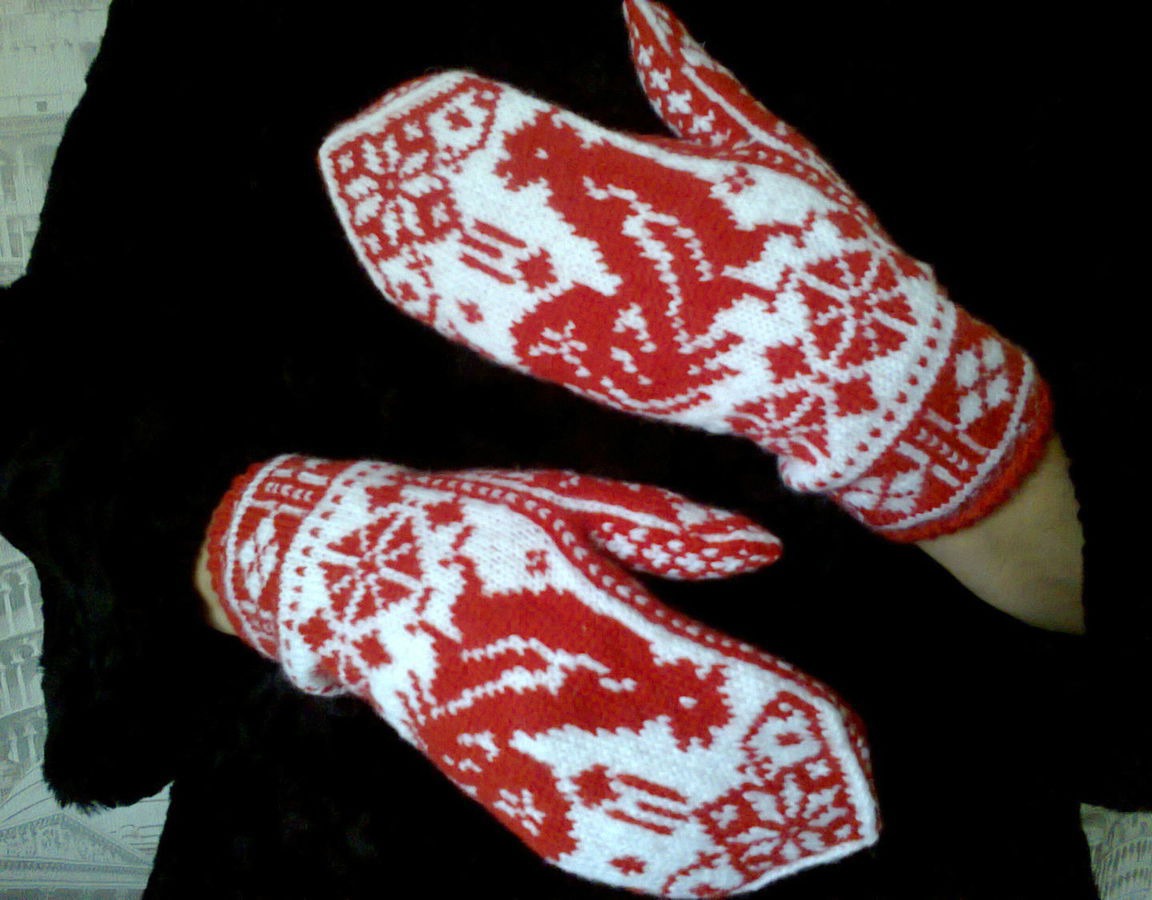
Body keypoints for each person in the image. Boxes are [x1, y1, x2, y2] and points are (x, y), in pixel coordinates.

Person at [1, 1, 1143, 897]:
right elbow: (51, 386)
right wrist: (315, 568)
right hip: (327, 846)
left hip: (918, 839)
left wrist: (879, 378)